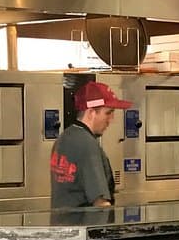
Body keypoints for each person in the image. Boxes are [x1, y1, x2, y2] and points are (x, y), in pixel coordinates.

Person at [50, 81, 132, 209]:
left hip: (63, 225)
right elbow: (100, 203)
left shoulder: (63, 138)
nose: (111, 120)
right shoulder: (87, 145)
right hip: (84, 225)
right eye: (108, 113)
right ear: (91, 113)